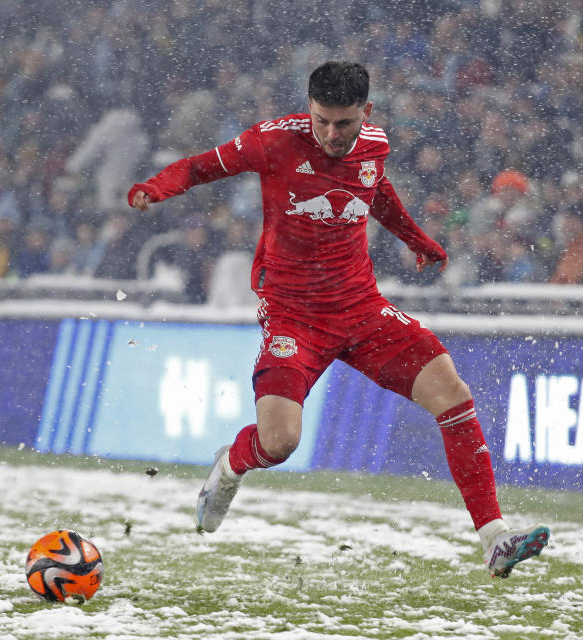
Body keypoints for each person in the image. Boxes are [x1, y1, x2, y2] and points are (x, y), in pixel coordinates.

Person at [128, 61, 550, 579]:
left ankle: (493, 537)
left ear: (365, 113)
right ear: (310, 109)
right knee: (279, 443)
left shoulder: (375, 143)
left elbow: (377, 193)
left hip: (362, 308)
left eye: (343, 124)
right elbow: (198, 167)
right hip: (293, 315)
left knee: (453, 393)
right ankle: (233, 465)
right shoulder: (273, 140)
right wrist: (155, 187)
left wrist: (417, 241)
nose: (331, 134)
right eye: (321, 120)